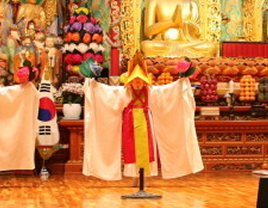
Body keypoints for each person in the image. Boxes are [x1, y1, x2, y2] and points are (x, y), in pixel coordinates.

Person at [83, 52, 204, 181]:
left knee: (147, 149)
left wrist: (181, 82)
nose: (137, 84)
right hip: (130, 123)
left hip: (146, 122)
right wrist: (94, 85)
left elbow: (167, 92)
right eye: (135, 81)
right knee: (131, 148)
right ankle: (135, 177)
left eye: (140, 81)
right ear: (130, 82)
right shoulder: (125, 92)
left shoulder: (150, 91)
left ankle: (143, 178)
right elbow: (107, 94)